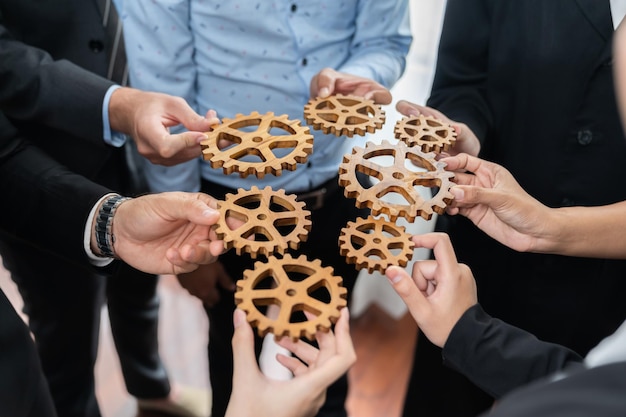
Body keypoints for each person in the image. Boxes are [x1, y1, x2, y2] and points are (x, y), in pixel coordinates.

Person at [116, 1, 412, 416]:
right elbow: (165, 93)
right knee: (234, 350)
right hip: (230, 208)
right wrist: (186, 229)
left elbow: (385, 41)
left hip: (339, 186)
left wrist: (359, 79)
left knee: (329, 345)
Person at [395, 1, 626, 415]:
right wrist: (463, 131)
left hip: (606, 293)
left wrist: (551, 228)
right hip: (483, 254)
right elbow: (461, 80)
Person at [0, 10, 220, 416]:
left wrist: (112, 222)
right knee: (66, 333)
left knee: (140, 287)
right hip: (43, 155)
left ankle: (150, 389)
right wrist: (116, 104)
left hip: (145, 134)